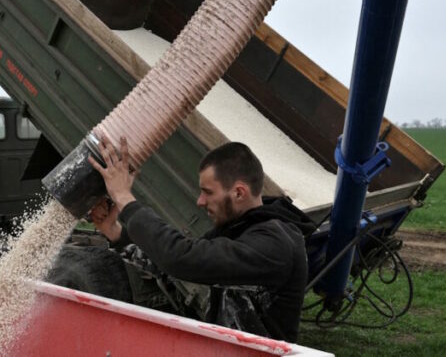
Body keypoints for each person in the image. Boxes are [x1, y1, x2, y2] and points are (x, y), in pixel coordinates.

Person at [88, 136, 314, 342]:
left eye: (208, 192)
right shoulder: (239, 229)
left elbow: (183, 259)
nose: (200, 201)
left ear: (239, 192)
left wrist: (125, 199)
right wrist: (116, 232)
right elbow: (173, 270)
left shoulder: (274, 244)